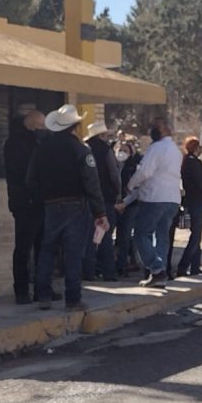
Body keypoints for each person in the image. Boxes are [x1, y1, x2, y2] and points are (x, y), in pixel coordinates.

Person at [32, 105, 109, 311]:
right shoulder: (81, 149)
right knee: (73, 253)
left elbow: (31, 179)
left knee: (47, 250)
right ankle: (73, 299)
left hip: (50, 206)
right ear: (75, 126)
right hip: (76, 205)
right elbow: (92, 183)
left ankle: (43, 296)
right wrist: (100, 212)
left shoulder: (41, 149)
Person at [128, 120, 182, 288]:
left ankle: (157, 269)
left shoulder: (157, 148)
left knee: (140, 234)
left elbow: (145, 172)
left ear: (165, 130)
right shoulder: (176, 150)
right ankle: (160, 275)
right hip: (172, 198)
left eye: (157, 128)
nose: (153, 131)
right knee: (162, 237)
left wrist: (130, 185)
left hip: (154, 197)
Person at [4, 110, 46, 304]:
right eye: (40, 126)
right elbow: (22, 173)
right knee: (23, 247)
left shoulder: (36, 142)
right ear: (31, 125)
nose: (42, 129)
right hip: (24, 202)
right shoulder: (17, 144)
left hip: (39, 201)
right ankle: (21, 290)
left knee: (43, 248)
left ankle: (41, 288)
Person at [83, 121, 122, 282]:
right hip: (105, 198)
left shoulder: (83, 149)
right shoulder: (106, 150)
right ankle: (109, 272)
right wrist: (118, 193)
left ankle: (88, 272)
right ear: (101, 135)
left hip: (86, 199)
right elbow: (114, 174)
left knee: (88, 237)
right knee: (105, 236)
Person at [177, 137, 202, 276]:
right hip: (198, 201)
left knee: (196, 234)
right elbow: (201, 183)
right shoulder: (195, 162)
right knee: (196, 235)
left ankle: (195, 266)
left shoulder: (184, 161)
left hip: (190, 200)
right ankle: (183, 265)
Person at [113, 140, 141, 277]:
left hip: (130, 205)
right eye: (120, 150)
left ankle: (122, 265)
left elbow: (136, 191)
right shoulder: (112, 165)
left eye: (125, 151)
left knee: (125, 234)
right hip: (115, 204)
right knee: (118, 236)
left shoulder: (134, 168)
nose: (122, 153)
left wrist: (124, 203)